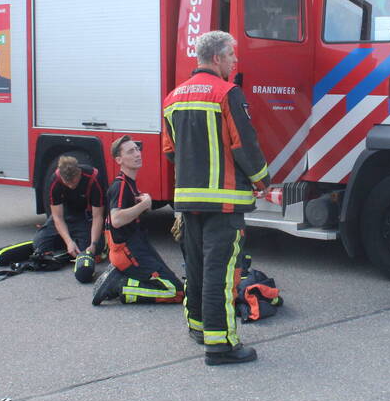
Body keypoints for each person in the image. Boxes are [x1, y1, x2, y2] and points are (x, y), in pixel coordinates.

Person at [162, 30, 269, 366]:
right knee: (220, 274)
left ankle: (198, 328)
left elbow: (170, 150)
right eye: (232, 56)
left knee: (195, 268)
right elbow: (244, 144)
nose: (235, 62)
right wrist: (261, 179)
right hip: (224, 202)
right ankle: (220, 346)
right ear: (218, 58)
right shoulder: (227, 93)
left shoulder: (173, 98)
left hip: (188, 200)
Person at [91, 135, 184, 306]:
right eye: (130, 151)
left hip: (137, 246)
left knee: (176, 285)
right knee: (175, 292)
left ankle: (123, 276)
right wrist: (144, 205)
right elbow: (116, 220)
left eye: (137, 149)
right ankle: (121, 286)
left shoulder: (129, 183)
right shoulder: (120, 186)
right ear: (119, 160)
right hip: (127, 252)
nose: (137, 154)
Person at [32, 155, 105, 282]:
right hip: (65, 215)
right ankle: (70, 246)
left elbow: (98, 216)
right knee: (39, 244)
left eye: (74, 182)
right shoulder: (55, 180)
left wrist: (93, 244)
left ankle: (73, 247)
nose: (71, 186)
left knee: (93, 249)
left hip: (85, 216)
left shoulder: (93, 178)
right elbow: (57, 217)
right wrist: (69, 242)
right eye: (67, 183)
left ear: (79, 172)